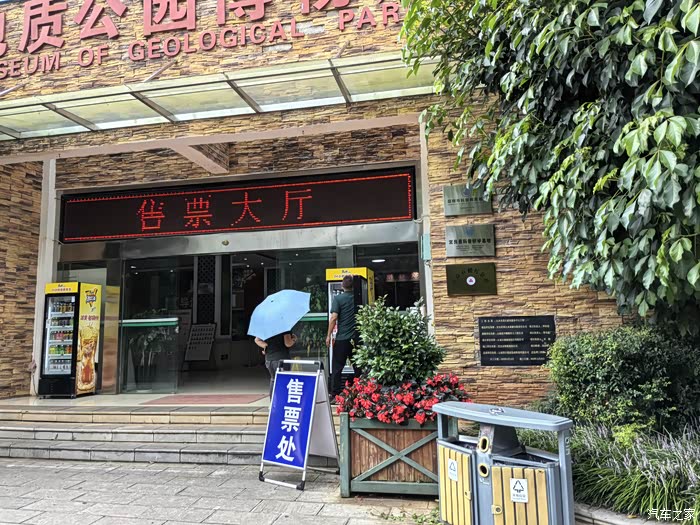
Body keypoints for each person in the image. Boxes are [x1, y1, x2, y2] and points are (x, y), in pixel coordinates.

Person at [326, 274, 361, 398]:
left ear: (342, 285)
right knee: (358, 366)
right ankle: (361, 391)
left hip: (341, 338)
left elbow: (333, 318)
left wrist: (328, 335)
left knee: (337, 367)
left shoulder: (338, 299)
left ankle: (335, 393)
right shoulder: (358, 298)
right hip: (356, 339)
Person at [254, 332, 297, 398]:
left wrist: (266, 346)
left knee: (273, 379)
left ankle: (273, 401)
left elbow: (257, 340)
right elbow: (288, 343)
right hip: (281, 359)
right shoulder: (284, 329)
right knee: (283, 381)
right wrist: (294, 339)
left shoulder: (266, 328)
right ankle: (282, 401)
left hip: (269, 360)